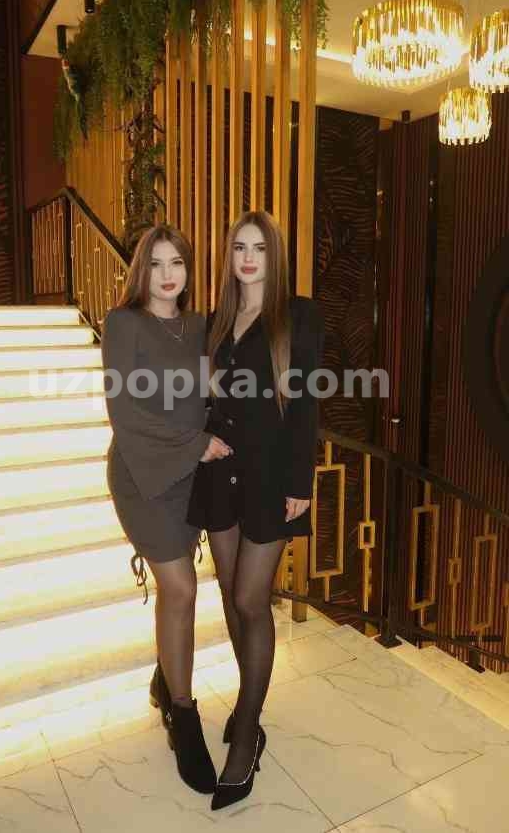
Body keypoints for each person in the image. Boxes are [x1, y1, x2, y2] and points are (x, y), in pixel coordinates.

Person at [188, 210, 325, 810]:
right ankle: (250, 706)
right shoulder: (215, 320)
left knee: (250, 600)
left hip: (271, 478)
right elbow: (198, 396)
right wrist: (197, 437)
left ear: (274, 256)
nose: (247, 258)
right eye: (239, 248)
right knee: (227, 593)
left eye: (259, 248)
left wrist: (301, 479)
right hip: (219, 472)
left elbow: (306, 405)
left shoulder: (298, 315)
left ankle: (246, 733)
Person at [101, 224, 231, 795]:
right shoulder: (122, 323)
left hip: (190, 476)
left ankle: (165, 674)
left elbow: (217, 391)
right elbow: (125, 411)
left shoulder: (200, 326)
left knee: (182, 590)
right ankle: (183, 713)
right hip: (142, 472)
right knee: (181, 588)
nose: (167, 274)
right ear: (141, 270)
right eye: (155, 264)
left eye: (176, 262)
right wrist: (194, 444)